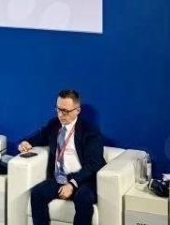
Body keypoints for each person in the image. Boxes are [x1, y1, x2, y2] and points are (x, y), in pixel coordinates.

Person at [18, 89, 105, 225]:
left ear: (77, 110)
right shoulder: (54, 124)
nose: (61, 115)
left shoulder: (90, 131)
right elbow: (39, 136)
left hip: (84, 179)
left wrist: (72, 183)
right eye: (58, 109)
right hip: (59, 178)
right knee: (37, 193)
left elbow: (94, 164)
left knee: (83, 197)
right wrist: (26, 142)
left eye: (65, 111)